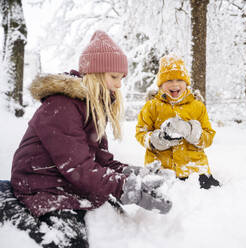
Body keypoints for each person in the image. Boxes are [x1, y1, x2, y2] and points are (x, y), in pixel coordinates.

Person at [2, 30, 171, 248]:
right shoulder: (62, 106)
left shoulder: (91, 107)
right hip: (42, 183)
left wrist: (132, 174)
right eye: (114, 77)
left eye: (121, 78)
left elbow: (101, 160)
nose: (120, 85)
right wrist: (123, 188)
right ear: (95, 74)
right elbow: (77, 166)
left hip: (65, 181)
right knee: (70, 242)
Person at [135, 54, 220, 189]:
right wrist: (157, 140)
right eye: (169, 80)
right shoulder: (152, 106)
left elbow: (208, 137)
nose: (174, 84)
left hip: (194, 170)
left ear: (186, 83)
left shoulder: (197, 106)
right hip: (162, 170)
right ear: (161, 84)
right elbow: (141, 133)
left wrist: (191, 131)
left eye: (179, 80)